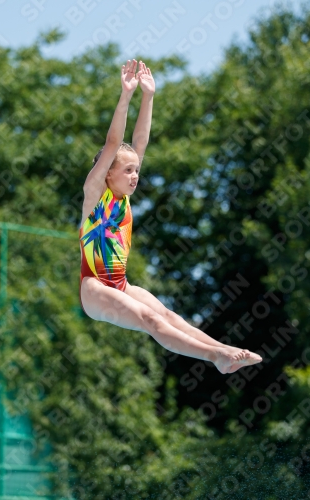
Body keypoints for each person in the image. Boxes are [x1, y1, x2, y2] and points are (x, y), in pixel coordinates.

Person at [79, 59, 262, 375]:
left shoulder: (124, 198)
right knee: (150, 320)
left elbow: (140, 142)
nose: (136, 175)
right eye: (128, 170)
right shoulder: (96, 194)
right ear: (107, 173)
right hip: (95, 288)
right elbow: (113, 143)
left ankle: (225, 350)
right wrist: (126, 95)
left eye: (137, 170)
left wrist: (148, 97)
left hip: (121, 284)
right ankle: (216, 356)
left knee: (168, 315)